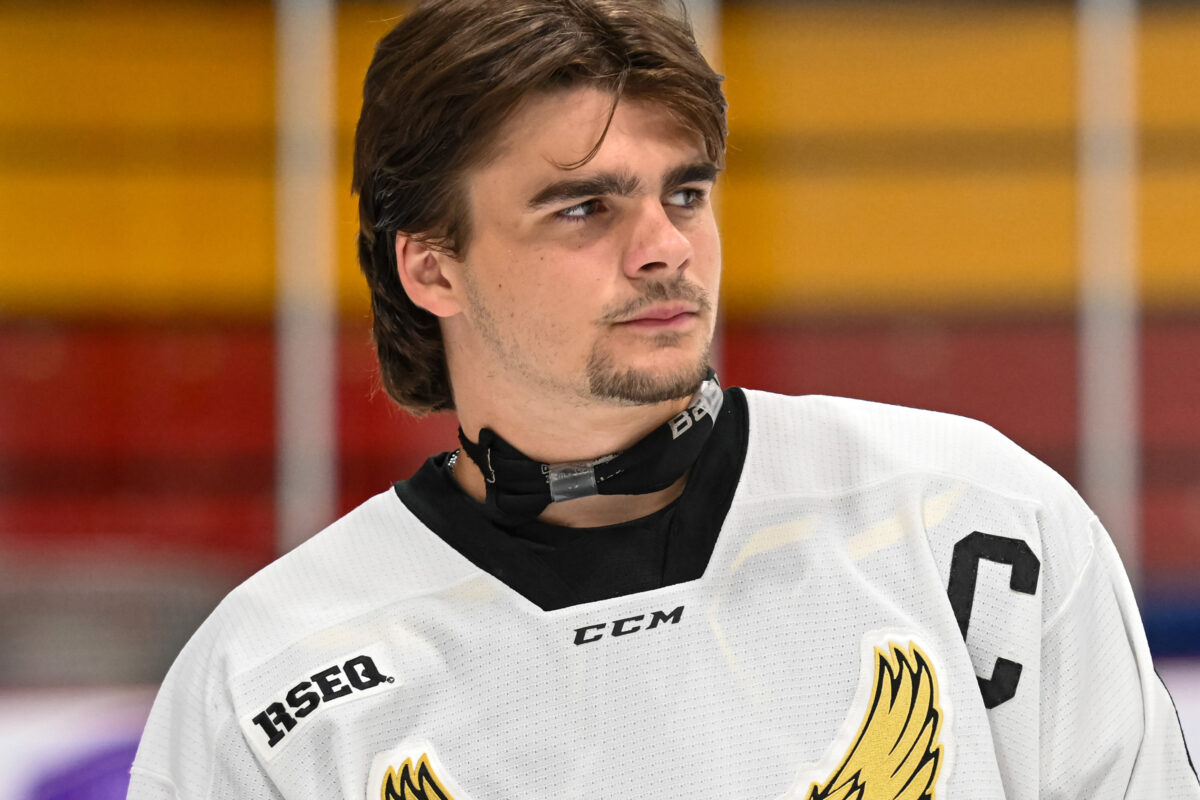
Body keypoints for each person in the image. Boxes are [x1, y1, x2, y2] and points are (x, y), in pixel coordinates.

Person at [128, 1, 1199, 797]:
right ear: (431, 268)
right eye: (583, 207)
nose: (665, 248)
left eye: (684, 192)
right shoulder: (269, 680)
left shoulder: (972, 521)